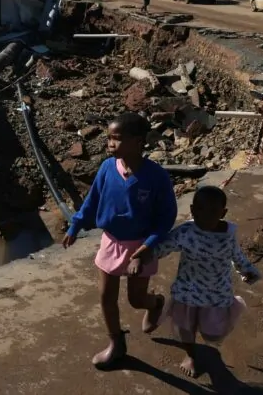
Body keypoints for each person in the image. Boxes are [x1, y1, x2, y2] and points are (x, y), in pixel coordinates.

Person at [62, 112, 178, 369]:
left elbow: (166, 218)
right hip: (112, 240)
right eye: (109, 138)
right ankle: (116, 343)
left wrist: (146, 248)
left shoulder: (156, 176)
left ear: (138, 142)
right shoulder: (107, 168)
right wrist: (76, 224)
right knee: (106, 296)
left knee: (136, 299)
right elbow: (92, 200)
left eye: (117, 138)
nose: (110, 143)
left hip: (142, 245)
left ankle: (156, 303)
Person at [133, 186, 261, 378]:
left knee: (213, 334)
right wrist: (140, 258)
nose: (206, 216)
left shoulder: (228, 234)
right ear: (193, 210)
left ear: (223, 213)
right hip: (187, 290)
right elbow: (164, 247)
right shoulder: (186, 232)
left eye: (213, 211)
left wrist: (247, 271)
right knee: (185, 328)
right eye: (200, 209)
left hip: (216, 293)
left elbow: (237, 256)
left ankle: (166, 312)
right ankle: (190, 355)